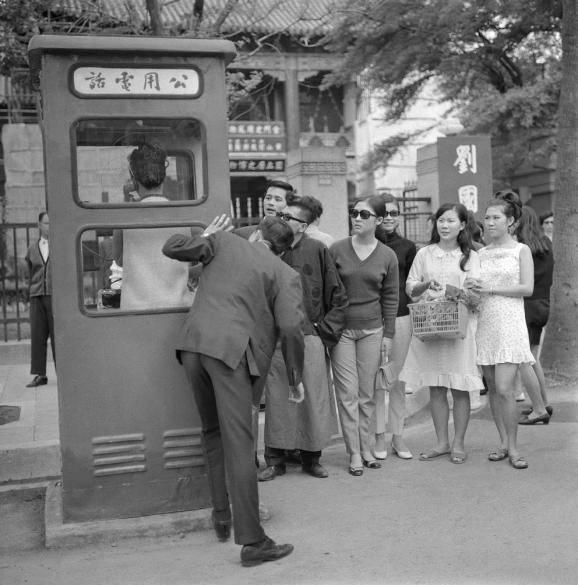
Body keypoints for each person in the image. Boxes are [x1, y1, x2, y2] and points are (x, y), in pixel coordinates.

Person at [162, 215, 305, 567]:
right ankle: (253, 542)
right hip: (232, 356)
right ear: (283, 251)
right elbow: (290, 327)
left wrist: (210, 233)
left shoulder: (223, 242)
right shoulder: (284, 273)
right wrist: (294, 377)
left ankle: (222, 518)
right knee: (240, 446)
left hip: (193, 347)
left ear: (256, 234)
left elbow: (172, 246)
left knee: (212, 432)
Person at [259, 197, 348, 481]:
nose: (282, 220)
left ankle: (312, 457)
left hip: (310, 334)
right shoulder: (268, 248)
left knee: (312, 397)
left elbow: (337, 294)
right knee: (277, 398)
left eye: (288, 218)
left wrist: (324, 329)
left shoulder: (317, 249)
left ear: (303, 226)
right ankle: (276, 459)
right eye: (281, 215)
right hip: (274, 336)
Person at [400, 203, 483, 465]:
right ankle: (441, 442)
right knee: (436, 386)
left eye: (450, 221)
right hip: (431, 327)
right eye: (441, 220)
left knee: (459, 387)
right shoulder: (424, 254)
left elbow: (476, 295)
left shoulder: (471, 256)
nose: (444, 225)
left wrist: (453, 291)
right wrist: (426, 285)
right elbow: (410, 287)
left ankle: (458, 443)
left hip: (459, 330)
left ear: (462, 225)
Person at [329, 196, 399, 476]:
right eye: (353, 212)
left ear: (379, 220)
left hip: (373, 330)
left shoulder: (388, 256)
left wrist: (389, 334)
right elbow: (326, 289)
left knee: (367, 394)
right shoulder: (336, 249)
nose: (356, 218)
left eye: (364, 214)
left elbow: (391, 297)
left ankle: (367, 447)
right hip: (342, 332)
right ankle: (355, 452)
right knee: (347, 393)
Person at [473, 191, 535, 469]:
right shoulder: (480, 254)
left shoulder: (521, 250)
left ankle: (514, 448)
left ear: (511, 221)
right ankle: (502, 442)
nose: (489, 222)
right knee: (493, 389)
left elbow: (527, 288)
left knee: (505, 388)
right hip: (485, 323)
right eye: (487, 218)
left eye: (496, 218)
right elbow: (475, 288)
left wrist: (491, 289)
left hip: (510, 322)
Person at [112, 143, 194, 311]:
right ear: (164, 177)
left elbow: (120, 261)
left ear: (133, 179)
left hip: (135, 310)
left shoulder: (123, 217)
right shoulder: (184, 215)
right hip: (178, 307)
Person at [374, 194, 417, 460]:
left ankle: (397, 436)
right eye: (385, 213)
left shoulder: (408, 247)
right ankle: (378, 435)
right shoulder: (365, 244)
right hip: (371, 320)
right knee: (375, 381)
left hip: (401, 318)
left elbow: (412, 285)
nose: (389, 218)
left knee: (398, 381)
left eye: (394, 213)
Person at [514, 206, 554, 424]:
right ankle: (543, 403)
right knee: (533, 358)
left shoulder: (523, 248)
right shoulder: (545, 243)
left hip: (527, 306)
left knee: (526, 360)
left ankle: (539, 409)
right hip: (543, 304)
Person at [25, 211, 54, 387]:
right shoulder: (31, 249)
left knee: (58, 336)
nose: (49, 226)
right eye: (46, 223)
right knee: (38, 336)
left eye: (51, 223)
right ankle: (40, 375)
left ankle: (63, 373)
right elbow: (31, 271)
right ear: (39, 225)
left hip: (54, 296)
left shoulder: (59, 246)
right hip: (37, 296)